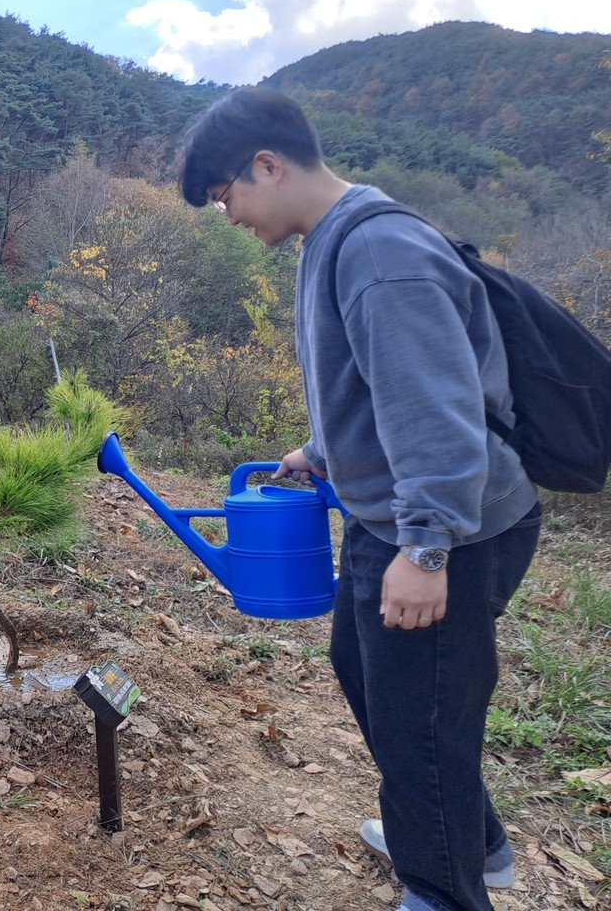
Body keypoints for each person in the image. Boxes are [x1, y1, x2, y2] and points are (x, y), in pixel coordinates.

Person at [179, 87, 540, 911]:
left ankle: (442, 888)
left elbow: (436, 410)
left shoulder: (379, 252)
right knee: (368, 674)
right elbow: (380, 385)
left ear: (267, 166)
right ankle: (471, 841)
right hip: (392, 515)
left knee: (421, 718)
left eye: (226, 196)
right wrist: (323, 450)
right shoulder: (331, 242)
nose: (228, 215)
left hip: (453, 528)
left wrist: (426, 547)